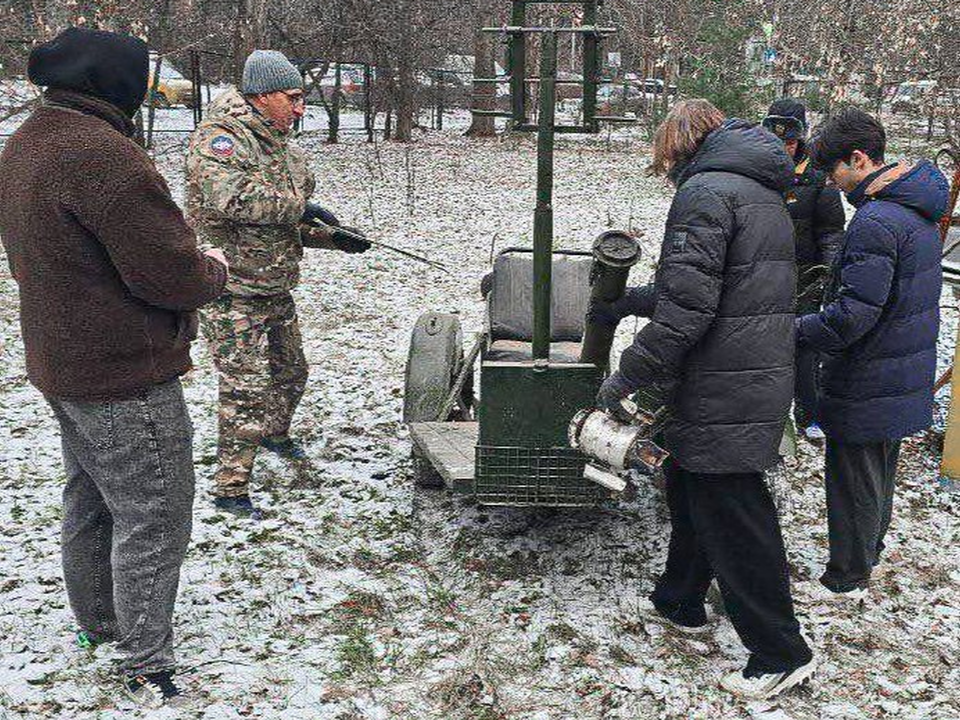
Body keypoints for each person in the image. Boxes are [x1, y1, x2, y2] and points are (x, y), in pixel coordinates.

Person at [0, 28, 228, 707]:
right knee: (154, 513)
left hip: (62, 359)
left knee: (93, 497)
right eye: (140, 78)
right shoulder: (103, 156)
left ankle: (101, 624)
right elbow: (170, 276)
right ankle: (144, 658)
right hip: (122, 369)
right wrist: (212, 270)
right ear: (116, 82)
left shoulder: (29, 139)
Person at [594, 99, 814, 700]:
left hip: (725, 379)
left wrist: (626, 377)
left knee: (735, 512)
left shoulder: (706, 193)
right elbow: (707, 285)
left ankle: (781, 651)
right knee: (692, 484)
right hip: (747, 368)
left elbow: (687, 311)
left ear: (677, 148)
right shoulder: (759, 190)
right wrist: (630, 302)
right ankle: (680, 598)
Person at [185, 50, 370, 519]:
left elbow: (288, 224)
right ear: (262, 95)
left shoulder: (286, 148)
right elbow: (232, 199)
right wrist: (302, 209)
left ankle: (274, 433)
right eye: (293, 98)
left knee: (292, 372)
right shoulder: (221, 138)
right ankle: (230, 488)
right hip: (232, 289)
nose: (300, 108)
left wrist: (333, 238)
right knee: (244, 390)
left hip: (275, 285)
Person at [799, 107, 947, 599]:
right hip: (899, 370)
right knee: (878, 471)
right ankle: (868, 553)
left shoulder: (876, 220)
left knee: (853, 480)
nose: (832, 182)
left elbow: (851, 317)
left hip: (868, 373)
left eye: (834, 169)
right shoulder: (913, 209)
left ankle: (847, 575)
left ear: (859, 159)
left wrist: (795, 331)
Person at [763, 98, 846, 442]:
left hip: (805, 279)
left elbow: (831, 233)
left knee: (806, 349)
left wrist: (827, 277)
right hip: (762, 276)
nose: (783, 147)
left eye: (790, 141)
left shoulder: (818, 178)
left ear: (800, 139)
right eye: (776, 138)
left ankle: (809, 414)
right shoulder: (755, 169)